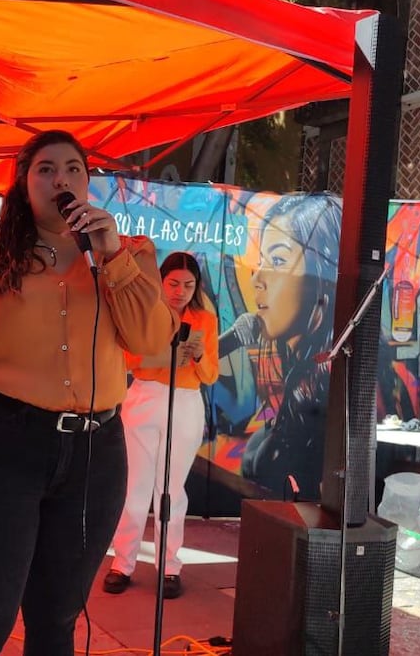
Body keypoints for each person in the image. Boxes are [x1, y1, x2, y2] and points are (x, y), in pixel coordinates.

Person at [0, 130, 177, 656]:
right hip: (2, 447)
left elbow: (152, 343)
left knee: (54, 625)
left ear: (87, 183)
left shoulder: (128, 254)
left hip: (95, 454)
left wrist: (111, 256)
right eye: (45, 169)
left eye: (72, 169)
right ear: (23, 182)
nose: (59, 179)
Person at [103, 252, 219, 599]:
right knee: (135, 487)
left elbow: (211, 373)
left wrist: (196, 356)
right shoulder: (146, 310)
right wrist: (162, 358)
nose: (180, 291)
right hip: (145, 395)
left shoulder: (205, 319)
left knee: (172, 489)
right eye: (173, 283)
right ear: (161, 281)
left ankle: (169, 565)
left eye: (188, 285)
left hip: (185, 400)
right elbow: (125, 357)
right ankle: (122, 562)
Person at [239, 194, 340, 501]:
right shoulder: (297, 370)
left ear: (320, 272)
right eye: (260, 263)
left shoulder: (332, 384)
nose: (258, 278)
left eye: (278, 260)